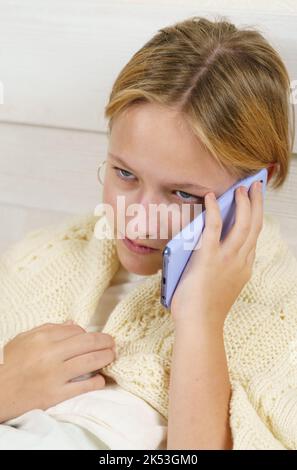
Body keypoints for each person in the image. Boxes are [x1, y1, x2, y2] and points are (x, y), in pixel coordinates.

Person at [0, 15, 297, 450]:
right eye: (124, 173)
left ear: (252, 185)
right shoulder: (40, 259)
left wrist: (200, 321)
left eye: (180, 193)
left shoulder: (283, 317)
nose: (137, 218)